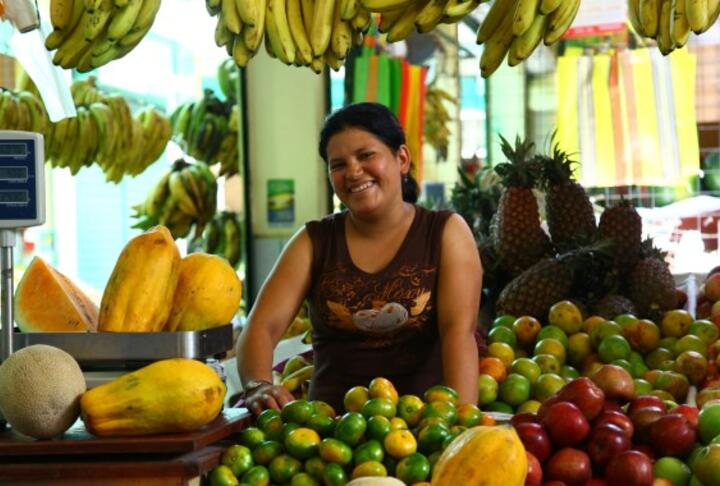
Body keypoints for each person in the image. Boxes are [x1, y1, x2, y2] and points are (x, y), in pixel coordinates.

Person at [236, 102, 482, 414]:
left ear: (402, 158)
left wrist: (459, 425)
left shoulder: (445, 232)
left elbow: (458, 334)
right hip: (326, 438)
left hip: (422, 432)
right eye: (337, 165)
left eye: (366, 156)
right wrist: (258, 386)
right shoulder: (314, 242)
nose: (353, 171)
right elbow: (261, 328)